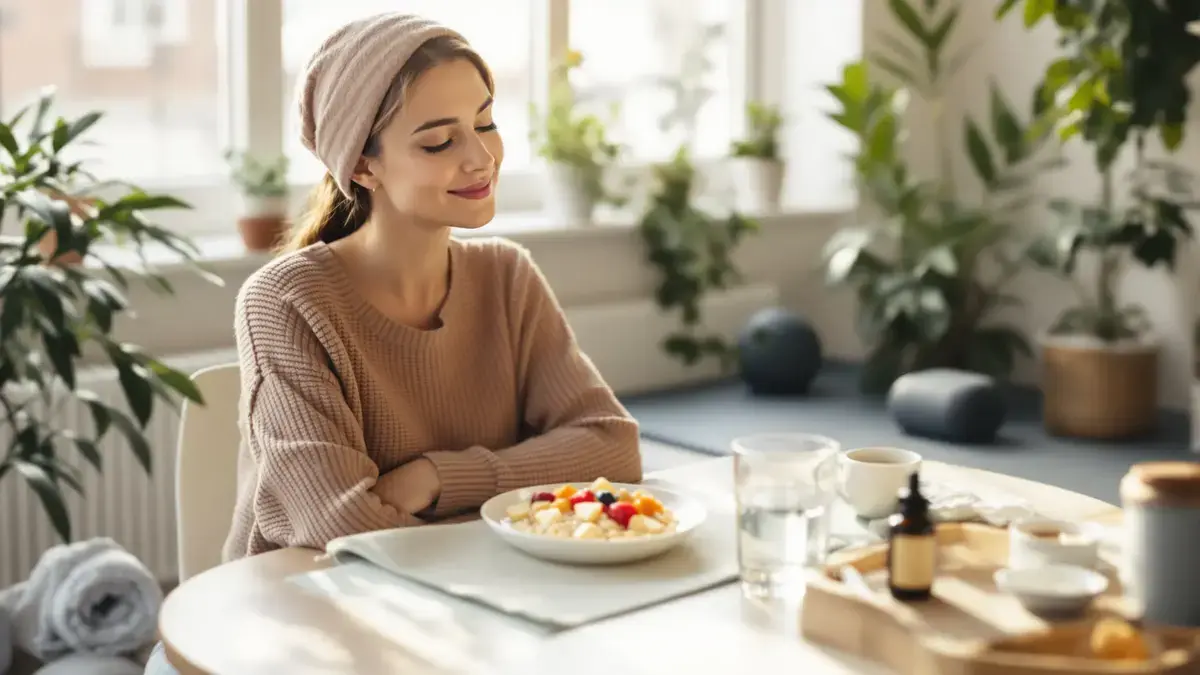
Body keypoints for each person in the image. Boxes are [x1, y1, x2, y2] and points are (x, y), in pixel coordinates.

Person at [144, 13, 640, 674]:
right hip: (294, 634)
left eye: (485, 123)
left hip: (463, 625)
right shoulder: (287, 300)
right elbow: (340, 525)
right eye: (438, 141)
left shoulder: (507, 275)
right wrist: (518, 505)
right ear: (362, 165)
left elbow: (612, 444)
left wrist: (439, 476)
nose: (480, 157)